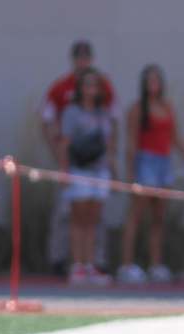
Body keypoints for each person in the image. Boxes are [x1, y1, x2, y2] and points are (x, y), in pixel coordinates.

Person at [41, 40, 116, 277]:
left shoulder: (105, 95)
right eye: (78, 57)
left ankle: (95, 262)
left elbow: (113, 128)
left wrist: (112, 160)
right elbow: (47, 121)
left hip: (98, 167)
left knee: (95, 218)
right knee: (69, 216)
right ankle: (65, 262)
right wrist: (59, 159)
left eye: (86, 57)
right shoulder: (61, 88)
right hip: (75, 166)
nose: (82, 61)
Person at [118, 64, 184, 284]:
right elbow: (131, 144)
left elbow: (175, 138)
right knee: (136, 215)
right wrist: (131, 173)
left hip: (164, 164)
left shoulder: (167, 107)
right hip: (145, 162)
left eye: (156, 80)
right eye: (149, 80)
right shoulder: (136, 109)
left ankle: (155, 264)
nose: (153, 84)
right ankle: (126, 265)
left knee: (158, 217)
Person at [58, 68, 117, 285]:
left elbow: (109, 142)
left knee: (94, 219)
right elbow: (64, 142)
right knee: (78, 218)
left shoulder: (103, 113)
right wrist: (64, 170)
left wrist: (112, 166)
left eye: (95, 85)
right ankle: (77, 266)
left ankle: (91, 265)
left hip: (99, 170)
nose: (91, 89)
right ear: (80, 88)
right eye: (87, 84)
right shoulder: (72, 112)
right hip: (79, 170)